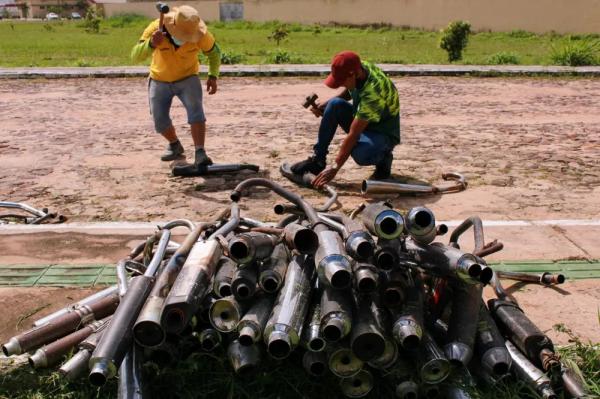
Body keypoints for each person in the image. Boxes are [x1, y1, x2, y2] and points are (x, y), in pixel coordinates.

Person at [290, 51, 400, 188]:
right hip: (365, 119)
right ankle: (318, 160)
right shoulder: (359, 67)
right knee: (334, 104)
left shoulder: (373, 93)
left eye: (342, 82)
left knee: (361, 153)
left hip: (383, 132)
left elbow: (354, 134)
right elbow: (350, 89)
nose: (341, 85)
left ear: (353, 74)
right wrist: (326, 105)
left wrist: (335, 167)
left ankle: (384, 158)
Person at [131, 5, 221, 166]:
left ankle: (200, 152)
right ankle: (174, 145)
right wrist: (151, 44)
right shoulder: (155, 28)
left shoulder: (201, 34)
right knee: (159, 120)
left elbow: (215, 53)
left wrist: (213, 76)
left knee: (196, 112)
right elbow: (135, 55)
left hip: (188, 78)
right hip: (159, 78)